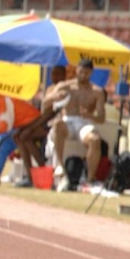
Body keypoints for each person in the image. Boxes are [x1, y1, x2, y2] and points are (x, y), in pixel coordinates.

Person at [50, 59, 106, 191]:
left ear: (91, 73)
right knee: (58, 124)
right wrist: (56, 97)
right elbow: (46, 102)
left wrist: (89, 115)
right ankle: (60, 167)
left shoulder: (96, 91)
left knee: (95, 139)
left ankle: (89, 180)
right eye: (81, 72)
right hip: (67, 121)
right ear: (76, 70)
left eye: (86, 73)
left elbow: (102, 117)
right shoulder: (65, 86)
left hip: (84, 123)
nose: (83, 75)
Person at [12, 66, 67, 187]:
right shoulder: (50, 89)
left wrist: (31, 128)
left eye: (58, 74)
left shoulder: (64, 90)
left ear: (64, 76)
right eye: (53, 74)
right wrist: (27, 127)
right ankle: (30, 174)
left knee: (25, 136)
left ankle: (42, 171)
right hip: (44, 123)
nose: (55, 77)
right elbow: (43, 114)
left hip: (57, 125)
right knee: (19, 136)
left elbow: (50, 113)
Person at [0, 91, 41, 185]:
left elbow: (5, 127)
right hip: (22, 127)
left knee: (2, 140)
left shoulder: (4, 100)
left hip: (33, 125)